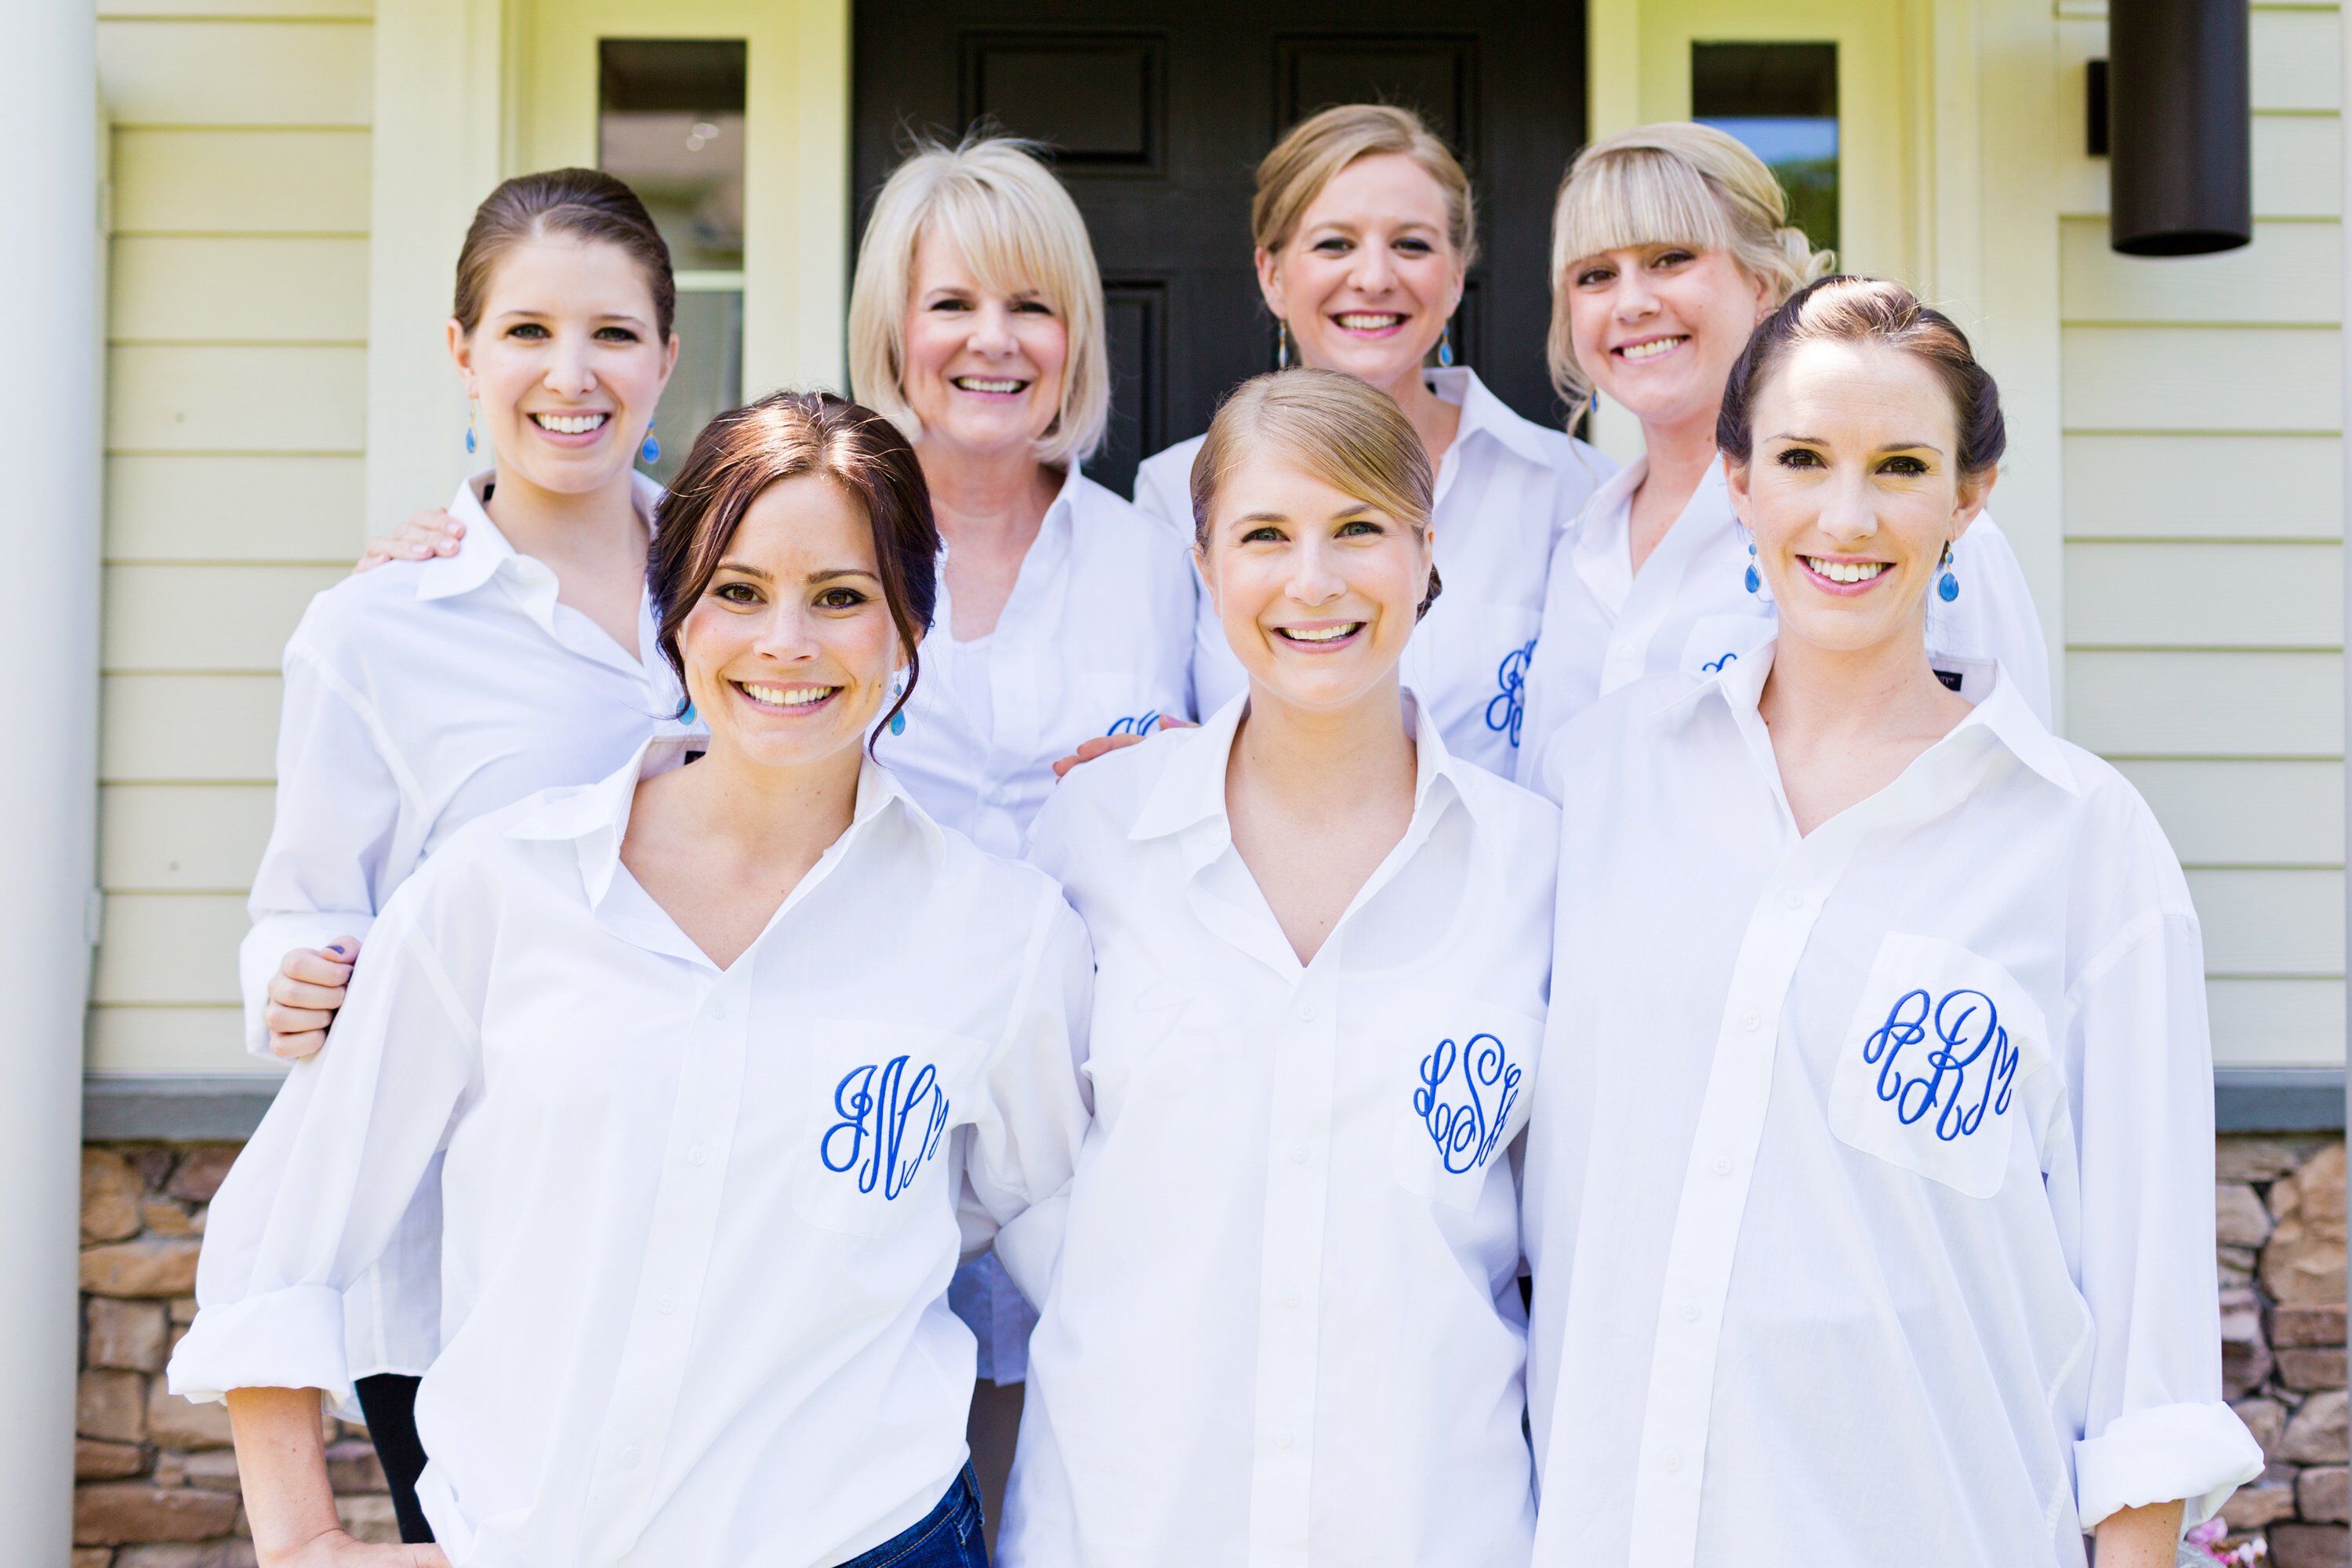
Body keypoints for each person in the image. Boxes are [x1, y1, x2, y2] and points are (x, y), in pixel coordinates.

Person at [353, 132, 1194, 1530]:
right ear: (891, 329)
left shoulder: (1158, 558)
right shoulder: (795, 529)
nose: (993, 342)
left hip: (1065, 1162)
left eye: (1032, 306)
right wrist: (467, 533)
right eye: (952, 305)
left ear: (1079, 335)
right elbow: (620, 634)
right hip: (802, 1209)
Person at [169, 391, 1094, 1568]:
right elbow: (281, 1231)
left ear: (914, 618)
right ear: (676, 610)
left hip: (871, 1540)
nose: (787, 645)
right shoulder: (498, 894)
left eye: (843, 598)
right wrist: (301, 1541)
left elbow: (1086, 1271)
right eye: (740, 593)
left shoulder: (1000, 937)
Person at [1519, 278, 2260, 1566]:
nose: (1847, 517)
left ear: (1969, 499)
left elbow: (2146, 1349)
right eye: (1802, 459)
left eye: (1901, 466)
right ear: (1737, 484)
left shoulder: (2083, 844)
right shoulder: (1598, 784)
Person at [1002, 370, 1559, 1566]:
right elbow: (1020, 1172)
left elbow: (1559, 1233)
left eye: (1359, 528)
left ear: (1425, 549)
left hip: (1432, 1522)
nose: (1313, 581)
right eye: (1264, 535)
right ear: (1203, 563)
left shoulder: (1532, 868)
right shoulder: (1094, 835)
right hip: (1131, 1514)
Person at [241, 168, 684, 1540]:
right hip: (459, 1272)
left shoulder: (734, 584)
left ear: (668, 356)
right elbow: (299, 909)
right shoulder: (379, 630)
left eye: (614, 333)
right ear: (462, 354)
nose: (573, 374)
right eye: (527, 332)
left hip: (699, 1228)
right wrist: (292, 979)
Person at [1513, 123, 2051, 780]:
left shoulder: (1921, 533)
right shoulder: (1578, 542)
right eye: (1596, 275)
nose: (1631, 302)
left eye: (1671, 258)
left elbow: (2008, 795)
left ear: (1762, 282)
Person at [1128, 103, 1610, 776]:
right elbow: (1157, 730)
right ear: (1272, 275)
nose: (1375, 277)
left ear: (1455, 275)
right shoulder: (1172, 488)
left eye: (1411, 245)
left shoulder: (1575, 486)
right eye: (1334, 244)